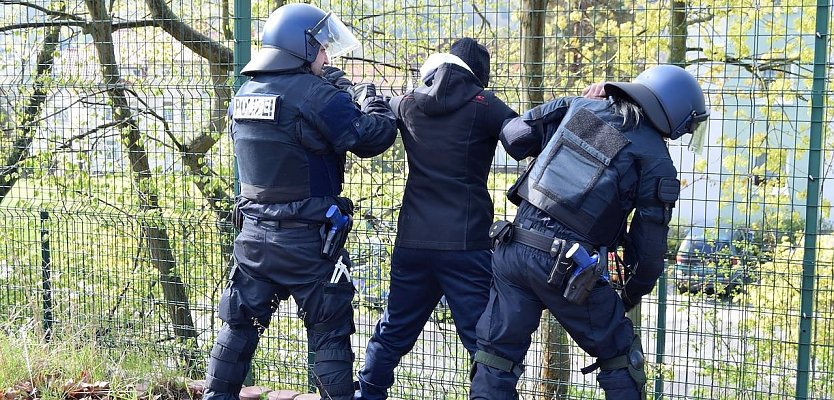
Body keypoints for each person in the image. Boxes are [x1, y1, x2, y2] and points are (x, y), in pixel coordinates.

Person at [468, 64, 709, 400]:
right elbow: (649, 252)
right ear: (673, 111)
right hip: (564, 268)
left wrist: (567, 113)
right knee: (621, 356)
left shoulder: (578, 106)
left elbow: (515, 138)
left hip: (512, 247)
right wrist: (628, 296)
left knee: (496, 357)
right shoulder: (655, 160)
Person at [202, 4, 398, 400]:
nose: (327, 57)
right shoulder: (315, 94)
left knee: (238, 327)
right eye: (322, 49)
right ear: (301, 48)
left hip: (254, 239)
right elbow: (373, 136)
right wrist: (369, 96)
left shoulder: (245, 93)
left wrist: (333, 88)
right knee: (329, 334)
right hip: (309, 244)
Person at [355, 38, 519, 400]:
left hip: (412, 241)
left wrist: (364, 93)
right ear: (478, 76)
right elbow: (522, 141)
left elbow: (376, 110)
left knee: (393, 331)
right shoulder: (486, 105)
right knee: (483, 341)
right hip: (466, 244)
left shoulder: (407, 103)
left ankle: (367, 394)